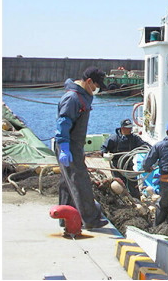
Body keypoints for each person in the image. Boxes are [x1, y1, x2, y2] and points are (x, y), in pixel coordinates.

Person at [55, 66, 109, 229]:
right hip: (68, 145)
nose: (97, 90)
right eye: (96, 86)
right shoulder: (73, 98)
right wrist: (64, 147)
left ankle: (65, 216)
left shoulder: (82, 96)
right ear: (89, 81)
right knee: (80, 180)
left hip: (74, 145)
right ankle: (90, 219)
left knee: (67, 182)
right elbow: (63, 122)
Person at [100, 119, 150, 198]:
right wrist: (105, 154)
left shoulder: (134, 139)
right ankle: (121, 200)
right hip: (117, 167)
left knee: (134, 186)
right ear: (122, 128)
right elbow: (103, 149)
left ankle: (137, 201)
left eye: (130, 128)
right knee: (118, 186)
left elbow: (145, 145)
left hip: (129, 166)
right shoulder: (113, 139)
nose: (130, 130)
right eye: (128, 128)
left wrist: (153, 149)